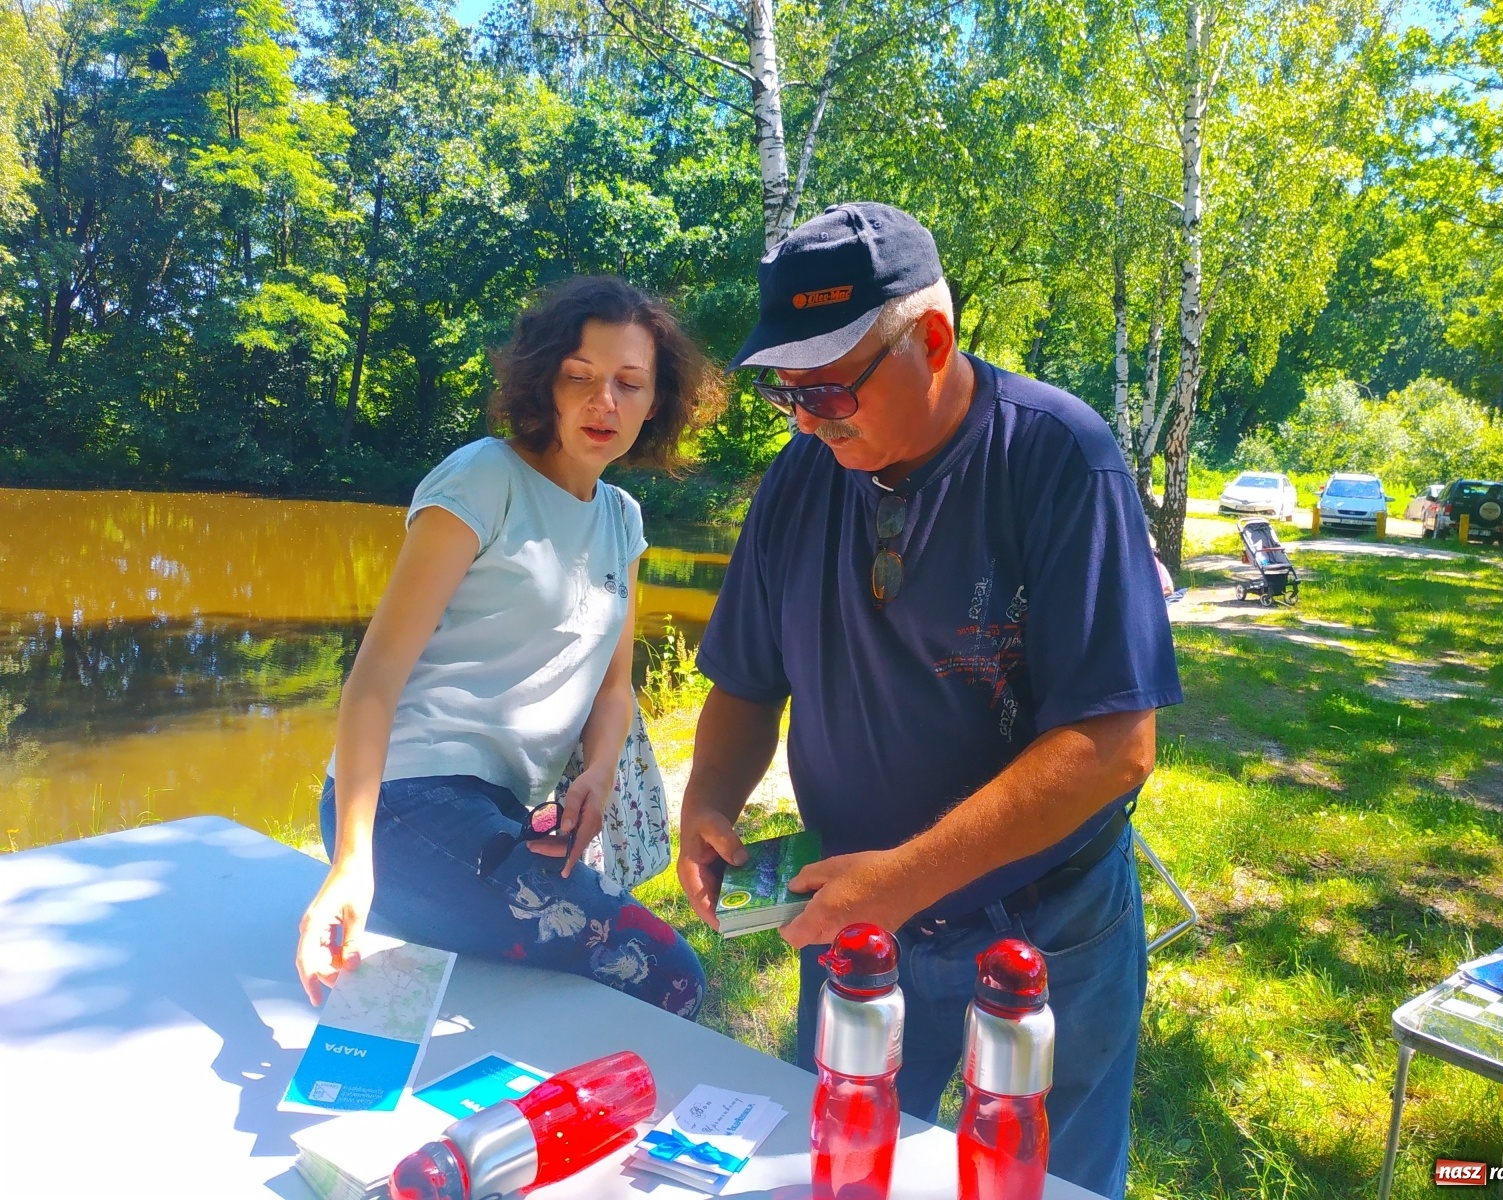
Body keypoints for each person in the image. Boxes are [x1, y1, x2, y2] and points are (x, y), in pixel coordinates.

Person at [676, 204, 1182, 1197]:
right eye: (788, 396)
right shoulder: (796, 481)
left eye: (829, 390)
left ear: (934, 342)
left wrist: (909, 875)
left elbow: (1115, 743)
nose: (810, 422)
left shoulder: (1057, 457)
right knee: (838, 1167)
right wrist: (708, 803)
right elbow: (743, 678)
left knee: (1057, 1181)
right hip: (859, 918)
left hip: (1046, 923)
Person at [295, 276, 712, 1020]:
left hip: (502, 813)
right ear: (545, 380)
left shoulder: (622, 518)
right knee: (669, 973)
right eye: (579, 376)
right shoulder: (485, 479)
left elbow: (613, 691)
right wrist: (352, 862)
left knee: (588, 987)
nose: (603, 402)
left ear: (657, 402)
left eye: (628, 383)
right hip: (402, 803)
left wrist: (601, 775)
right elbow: (373, 683)